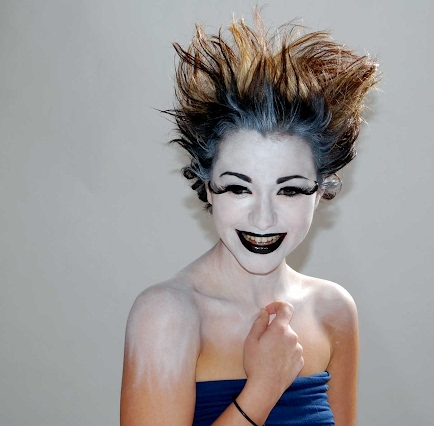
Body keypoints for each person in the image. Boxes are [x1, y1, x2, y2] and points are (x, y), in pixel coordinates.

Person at [121, 10, 378, 426]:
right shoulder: (167, 315)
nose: (263, 217)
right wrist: (263, 388)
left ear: (321, 191)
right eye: (239, 188)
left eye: (289, 189)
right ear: (207, 187)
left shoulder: (333, 310)